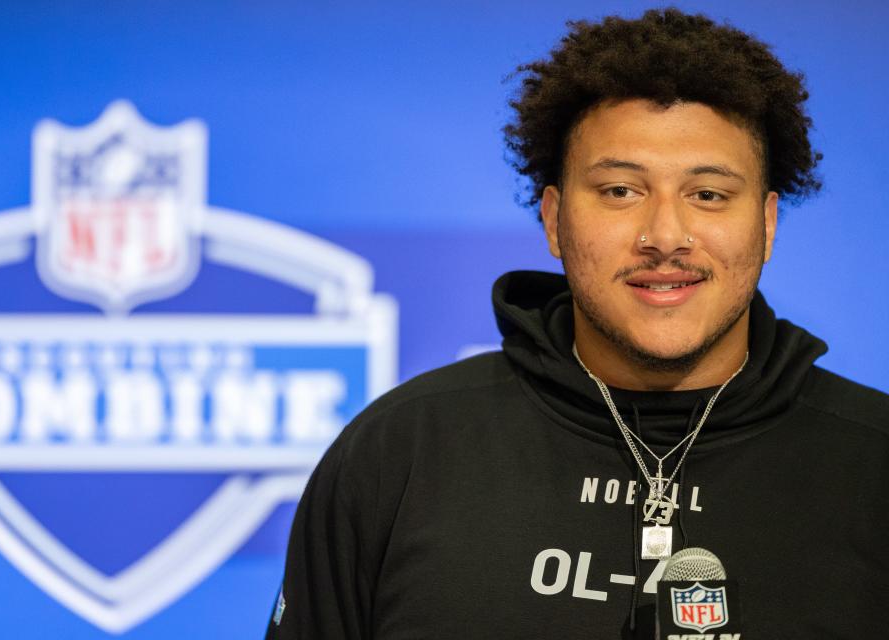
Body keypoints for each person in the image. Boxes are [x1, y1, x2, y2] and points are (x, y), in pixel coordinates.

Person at [266, 8, 889, 639]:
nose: (665, 237)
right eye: (620, 190)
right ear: (554, 219)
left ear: (767, 223)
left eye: (708, 194)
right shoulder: (398, 453)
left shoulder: (872, 462)